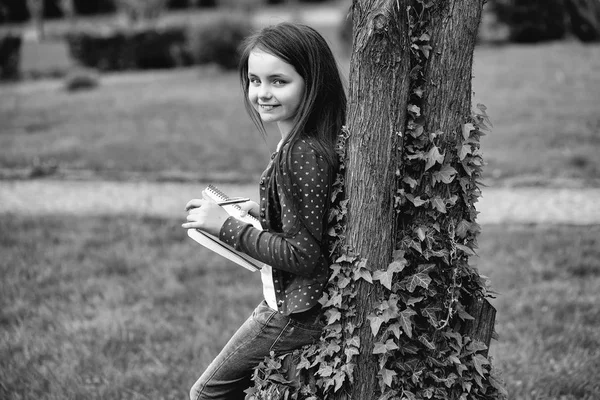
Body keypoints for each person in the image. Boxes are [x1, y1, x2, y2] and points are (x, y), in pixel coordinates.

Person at [182, 22, 347, 399]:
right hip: (306, 305)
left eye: (278, 81)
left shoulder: (300, 153)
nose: (262, 93)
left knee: (207, 393)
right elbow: (314, 217)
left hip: (295, 313)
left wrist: (226, 226)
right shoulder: (311, 140)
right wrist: (265, 212)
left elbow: (303, 255)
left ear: (312, 82)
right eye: (255, 80)